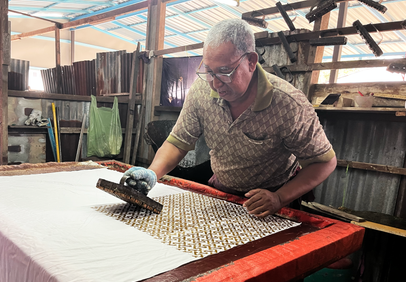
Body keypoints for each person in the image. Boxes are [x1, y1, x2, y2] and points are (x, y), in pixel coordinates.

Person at [122, 18, 336, 217]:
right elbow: (178, 143)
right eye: (209, 71)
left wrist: (279, 198)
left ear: (251, 61)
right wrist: (152, 173)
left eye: (225, 72)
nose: (215, 83)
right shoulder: (201, 91)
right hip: (223, 193)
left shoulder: (289, 104)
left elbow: (323, 163)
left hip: (270, 201)